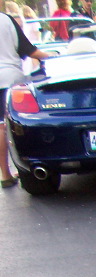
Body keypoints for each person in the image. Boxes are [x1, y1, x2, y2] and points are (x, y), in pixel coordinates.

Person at [1, 7, 48, 187]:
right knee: (9, 125)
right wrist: (53, 56)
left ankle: (4, 173)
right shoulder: (6, 20)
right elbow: (28, 50)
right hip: (9, 77)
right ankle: (17, 170)